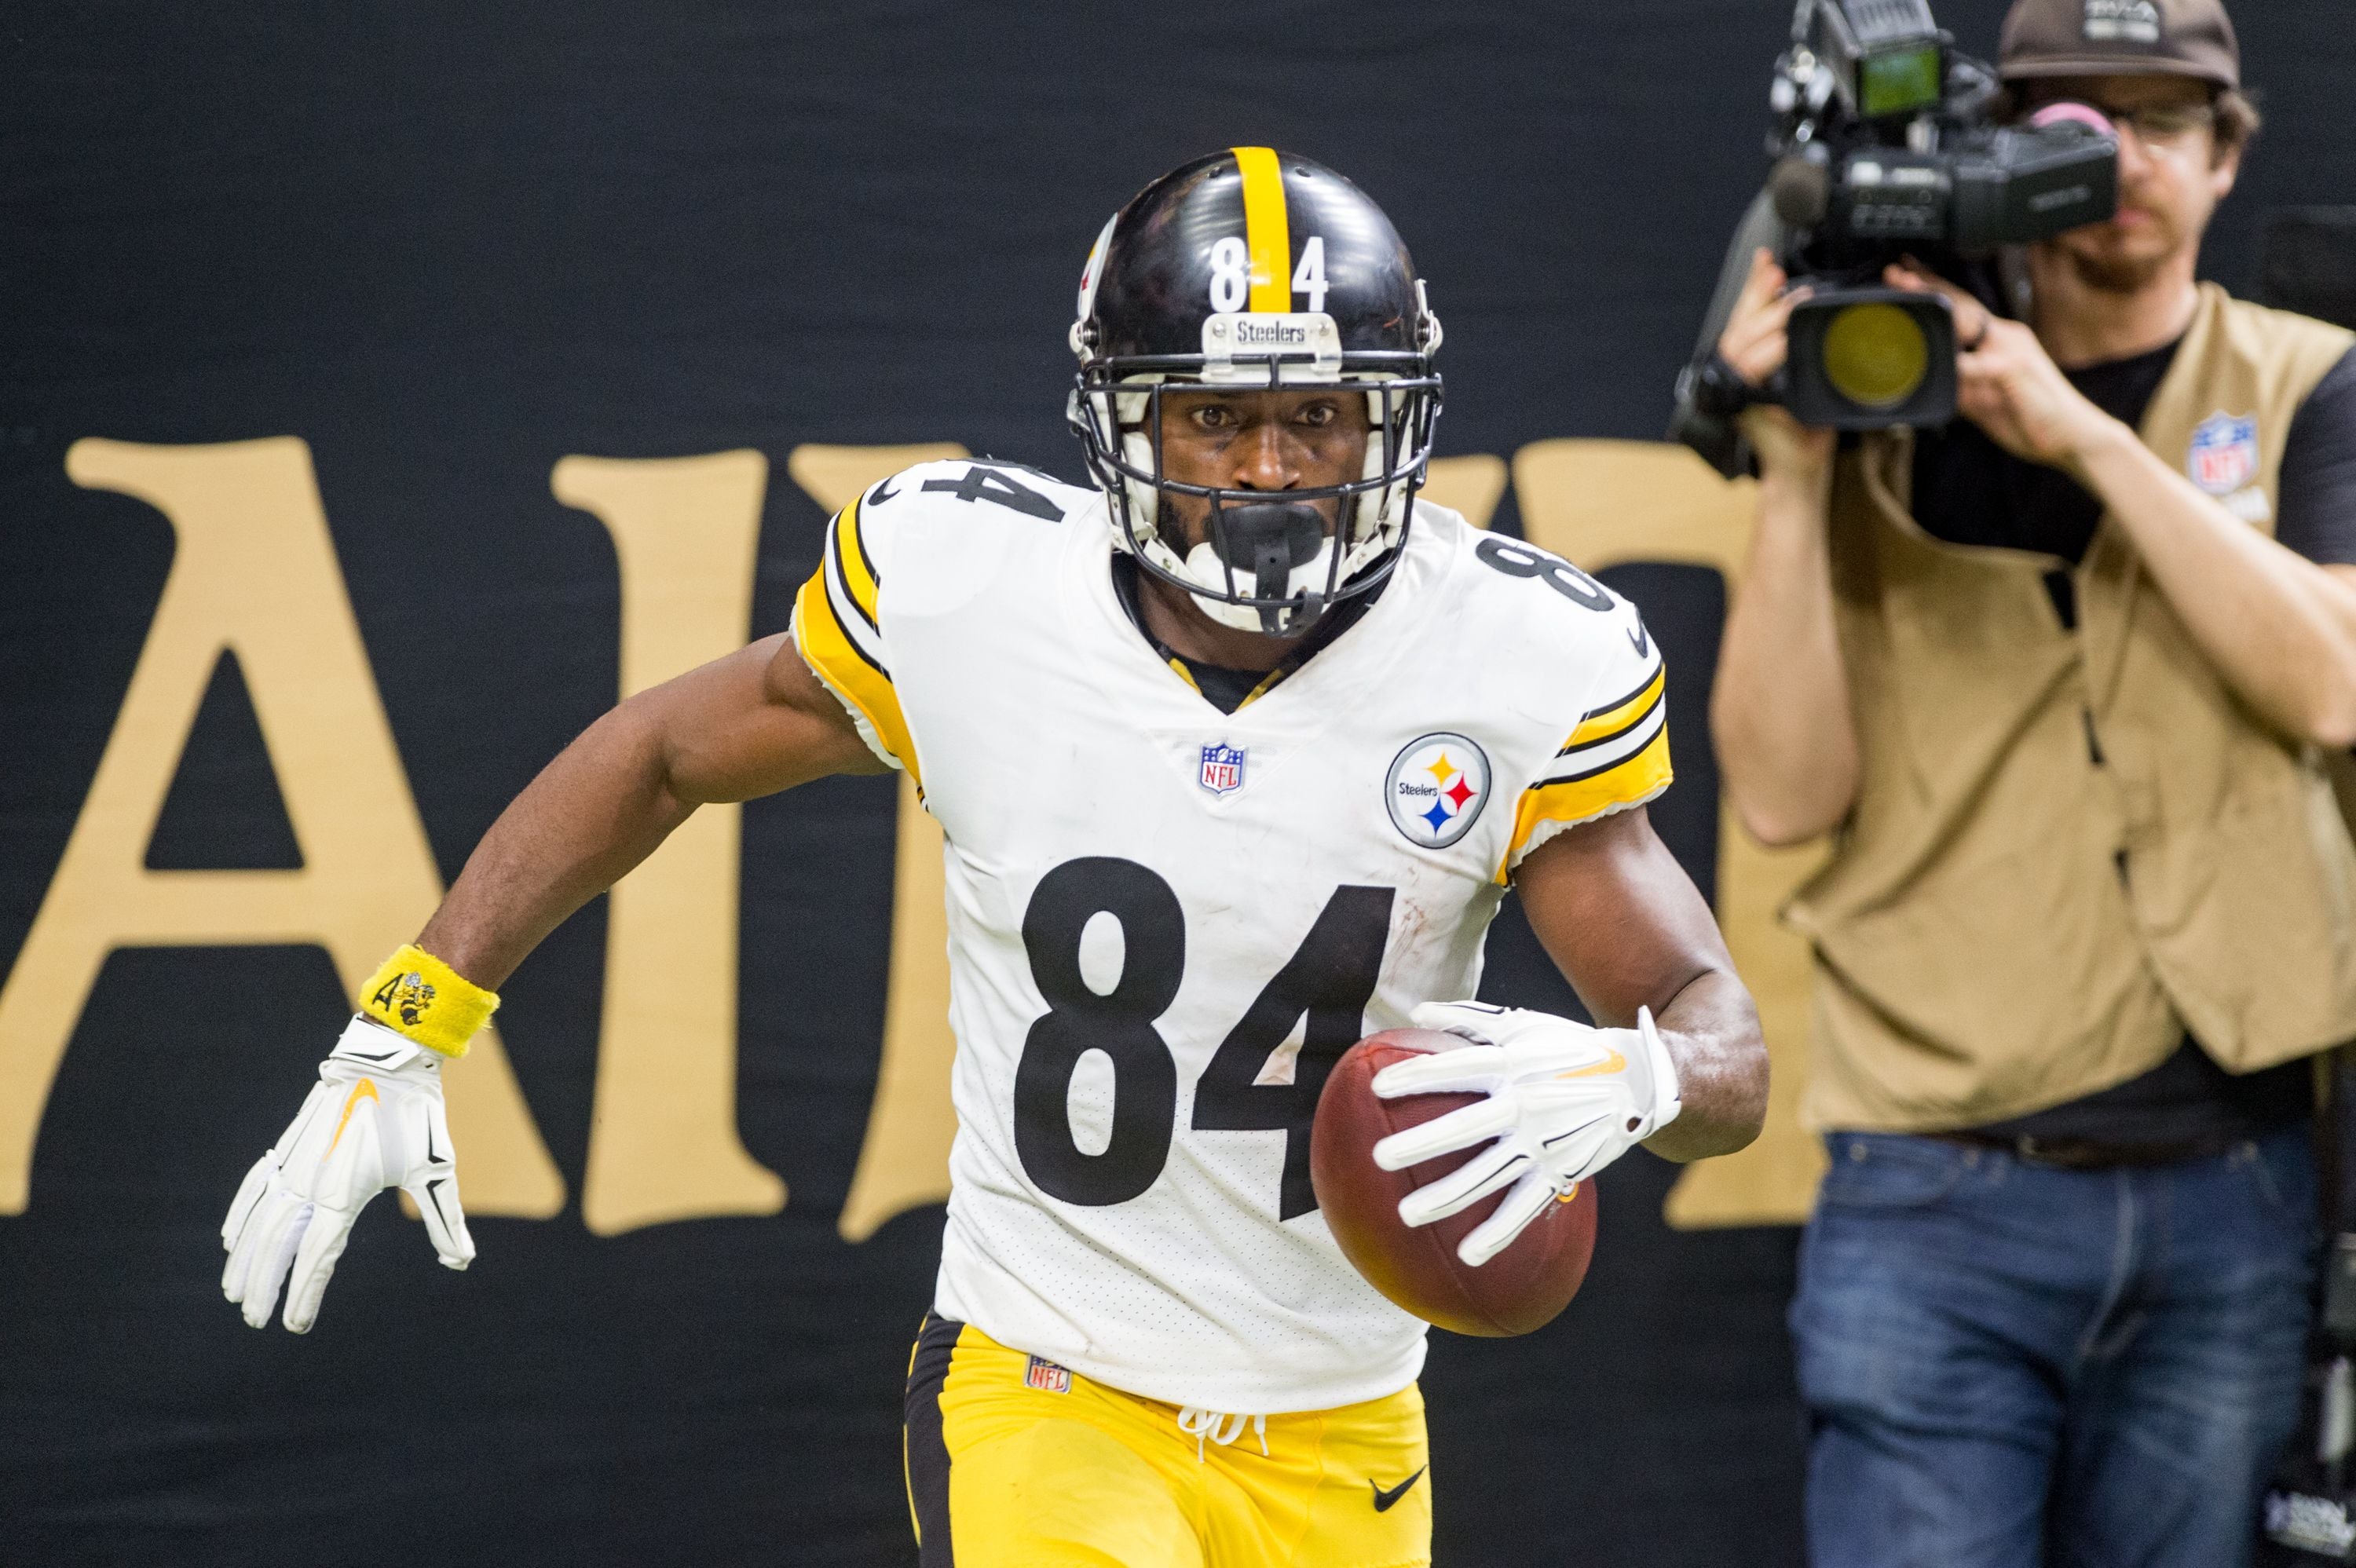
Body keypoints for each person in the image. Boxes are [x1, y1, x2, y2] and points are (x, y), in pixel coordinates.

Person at [216, 148, 1768, 1567]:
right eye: (1215, 417)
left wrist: (1641, 1082)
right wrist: (406, 1020)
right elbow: (665, 750)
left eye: (1320, 414)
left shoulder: (1508, 659)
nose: (1276, 469)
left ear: (1396, 418)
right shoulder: (976, 598)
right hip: (1052, 1385)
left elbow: (1716, 1041)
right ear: (1117, 419)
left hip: (1348, 1423)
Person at [1709, 0, 2356, 1563]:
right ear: (1988, 154)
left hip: (2234, 1181)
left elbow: (2334, 681)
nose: (2119, 160)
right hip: (1939, 1193)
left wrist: (2076, 436)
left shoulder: (2310, 384)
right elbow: (1783, 798)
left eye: (2163, 122)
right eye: (2070, 125)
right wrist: (1795, 480)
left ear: (2226, 159)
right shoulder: (1874, 399)